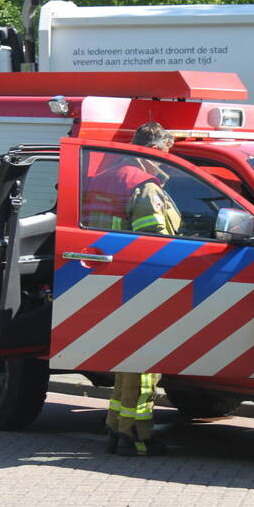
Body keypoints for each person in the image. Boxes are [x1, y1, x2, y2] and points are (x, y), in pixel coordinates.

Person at [85, 121, 179, 456]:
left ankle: (115, 429)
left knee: (124, 360)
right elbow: (158, 243)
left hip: (109, 283)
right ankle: (137, 437)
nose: (166, 163)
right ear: (153, 151)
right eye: (165, 155)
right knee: (144, 366)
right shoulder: (144, 186)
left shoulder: (104, 178)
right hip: (140, 284)